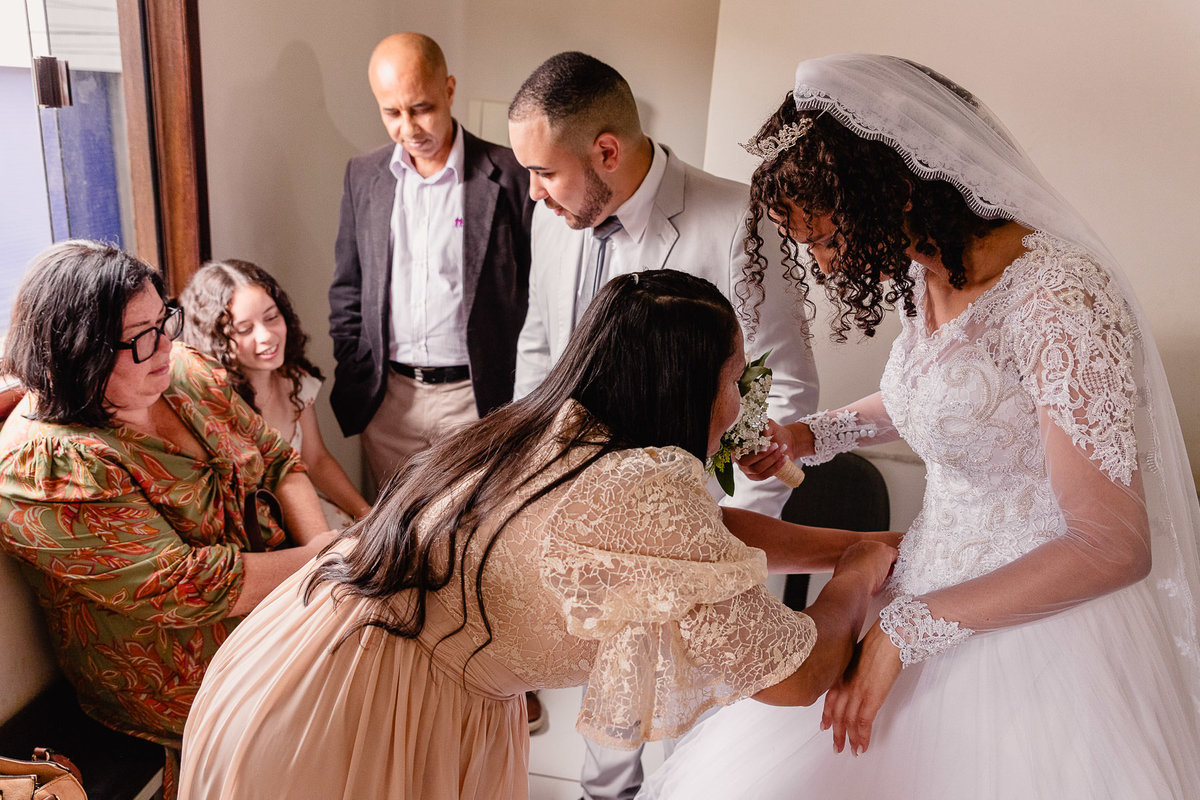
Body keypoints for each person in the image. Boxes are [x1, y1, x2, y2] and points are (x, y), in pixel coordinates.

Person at [641, 54, 1200, 799]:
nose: (816, 257)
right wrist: (813, 435)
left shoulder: (1061, 299)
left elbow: (1113, 543)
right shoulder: (925, 270)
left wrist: (909, 631)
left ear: (888, 187)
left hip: (1041, 625)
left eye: (821, 233)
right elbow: (943, 399)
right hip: (927, 570)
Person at [178, 270, 898, 800]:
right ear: (682, 386)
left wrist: (847, 543)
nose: (739, 402)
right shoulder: (641, 487)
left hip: (301, 650)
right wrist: (857, 576)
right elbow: (798, 675)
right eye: (734, 379)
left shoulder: (553, 424)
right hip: (361, 715)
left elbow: (702, 536)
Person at [507, 51, 819, 798]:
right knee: (600, 718)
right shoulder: (553, 219)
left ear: (605, 151)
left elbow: (789, 385)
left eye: (545, 171)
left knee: (693, 733)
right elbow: (539, 348)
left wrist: (726, 538)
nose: (533, 191)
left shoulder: (739, 220)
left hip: (700, 523)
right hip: (581, 522)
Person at [0, 241, 336, 796]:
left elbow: (280, 462)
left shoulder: (180, 372)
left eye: (165, 321)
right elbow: (186, 586)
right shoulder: (47, 467)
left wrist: (328, 557)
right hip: (176, 669)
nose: (164, 346)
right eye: (140, 337)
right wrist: (323, 563)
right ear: (78, 352)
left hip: (284, 598)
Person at [328, 32, 533, 487]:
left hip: (476, 401)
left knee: (469, 538)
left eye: (421, 108)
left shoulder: (513, 176)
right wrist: (355, 368)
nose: (409, 128)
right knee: (390, 544)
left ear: (450, 89)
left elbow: (536, 296)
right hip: (388, 401)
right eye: (392, 113)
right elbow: (347, 287)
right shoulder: (362, 175)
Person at [181, 259, 371, 529]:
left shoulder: (294, 381)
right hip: (251, 535)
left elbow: (315, 460)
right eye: (245, 329)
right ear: (216, 339)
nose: (267, 336)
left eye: (272, 318)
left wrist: (368, 515)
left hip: (308, 518)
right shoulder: (210, 402)